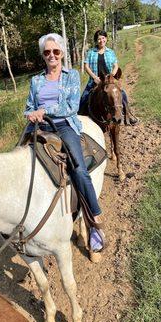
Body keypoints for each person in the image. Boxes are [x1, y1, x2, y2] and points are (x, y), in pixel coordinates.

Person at [24, 33, 104, 252]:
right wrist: (31, 114)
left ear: (62, 54)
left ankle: (95, 220)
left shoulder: (71, 76)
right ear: (43, 55)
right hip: (38, 127)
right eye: (47, 52)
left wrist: (43, 110)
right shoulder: (36, 80)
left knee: (78, 168)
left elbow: (70, 107)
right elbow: (28, 106)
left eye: (55, 51)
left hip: (64, 126)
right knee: (16, 158)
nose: (52, 55)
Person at [79, 30, 138, 125]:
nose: (101, 40)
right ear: (96, 40)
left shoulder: (110, 52)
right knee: (84, 98)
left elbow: (116, 65)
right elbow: (86, 66)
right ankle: (80, 119)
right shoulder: (91, 52)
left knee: (123, 94)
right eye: (99, 39)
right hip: (95, 81)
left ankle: (128, 115)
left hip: (109, 81)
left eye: (103, 38)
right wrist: (94, 77)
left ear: (106, 39)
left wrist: (112, 76)